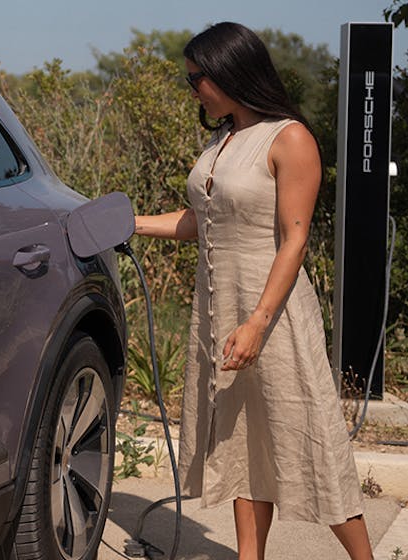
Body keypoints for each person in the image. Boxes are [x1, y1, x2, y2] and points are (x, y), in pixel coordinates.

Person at [133, 22, 374, 560]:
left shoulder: (288, 137)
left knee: (308, 439)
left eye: (197, 78)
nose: (192, 88)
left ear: (230, 72)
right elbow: (201, 220)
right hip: (223, 312)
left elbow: (295, 239)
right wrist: (129, 222)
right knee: (243, 443)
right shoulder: (222, 141)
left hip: (275, 314)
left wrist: (258, 322)